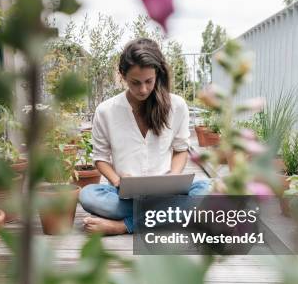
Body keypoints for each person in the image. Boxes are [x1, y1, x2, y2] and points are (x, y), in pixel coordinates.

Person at [79, 38, 211, 235]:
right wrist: (117, 181)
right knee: (88, 195)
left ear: (157, 74)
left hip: (166, 193)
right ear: (123, 76)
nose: (143, 90)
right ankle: (169, 214)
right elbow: (100, 158)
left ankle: (126, 225)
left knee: (211, 188)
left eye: (149, 81)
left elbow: (181, 151)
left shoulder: (177, 106)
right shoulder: (106, 111)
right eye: (135, 82)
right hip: (125, 196)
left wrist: (173, 178)